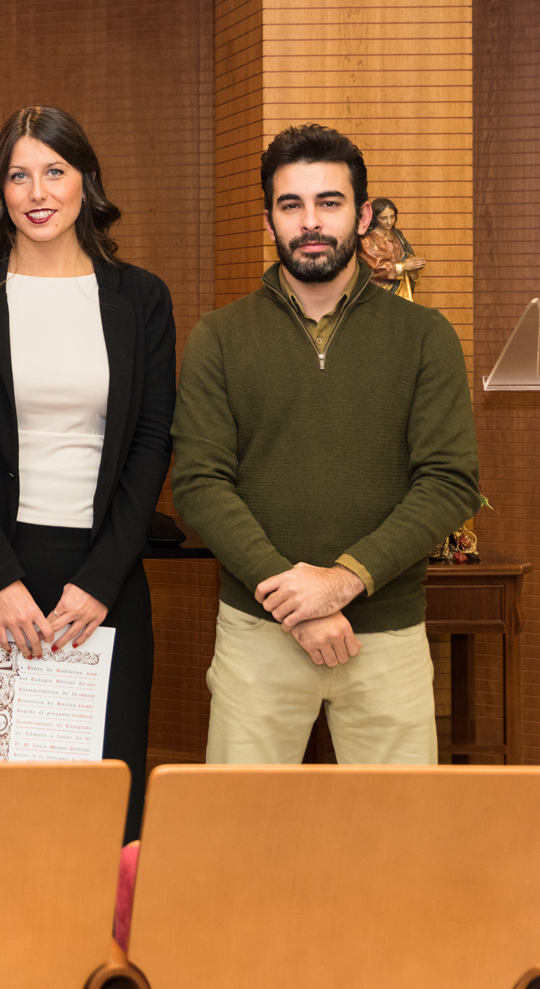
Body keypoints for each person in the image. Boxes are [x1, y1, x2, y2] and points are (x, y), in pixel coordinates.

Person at [173, 124, 478, 765]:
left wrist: (342, 583)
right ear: (269, 220)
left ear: (362, 216)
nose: (310, 221)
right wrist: (296, 601)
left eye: (329, 202)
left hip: (386, 635)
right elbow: (199, 484)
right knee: (242, 821)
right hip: (258, 634)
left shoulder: (425, 336)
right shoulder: (219, 338)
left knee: (397, 824)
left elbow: (449, 482)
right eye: (291, 205)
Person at [0, 106, 173, 841]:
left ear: (86, 181)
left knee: (102, 806)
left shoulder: (141, 298)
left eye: (55, 171)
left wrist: (101, 581)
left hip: (104, 580)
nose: (37, 192)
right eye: (18, 175)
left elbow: (151, 442)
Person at [358, 197, 426, 300]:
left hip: (402, 290)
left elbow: (408, 255)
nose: (389, 222)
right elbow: (376, 269)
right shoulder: (366, 240)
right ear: (374, 218)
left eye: (392, 217)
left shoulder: (398, 235)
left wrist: (415, 265)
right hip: (378, 294)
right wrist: (403, 267)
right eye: (383, 218)